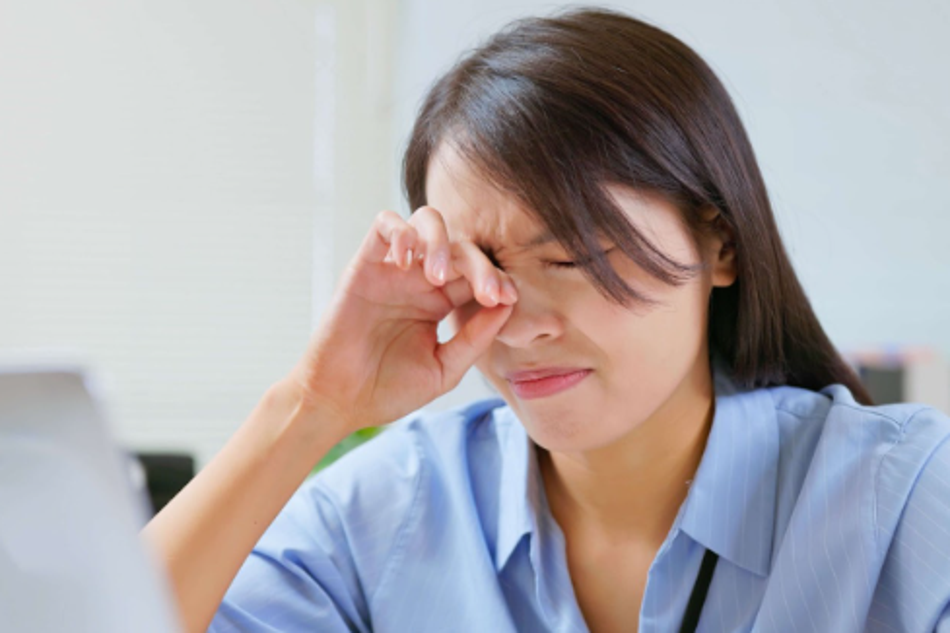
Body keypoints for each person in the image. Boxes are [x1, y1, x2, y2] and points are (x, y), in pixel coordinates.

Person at [143, 8, 950, 633]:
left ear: (721, 245)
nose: (521, 325)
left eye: (570, 257)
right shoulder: (389, 508)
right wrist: (312, 403)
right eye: (479, 266)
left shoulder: (903, 496)